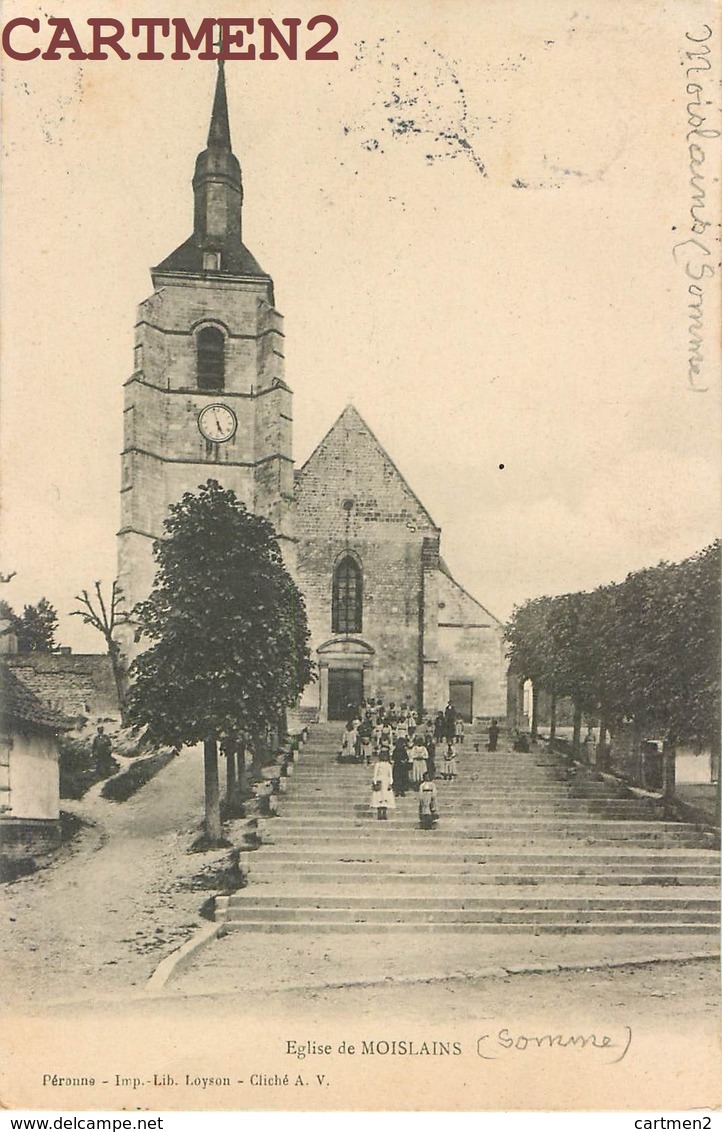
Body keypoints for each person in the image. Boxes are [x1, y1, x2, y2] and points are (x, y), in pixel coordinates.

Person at [370, 750, 395, 820]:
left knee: (385, 797)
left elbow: (390, 775)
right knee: (379, 797)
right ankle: (379, 813)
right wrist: (375, 782)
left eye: (386, 756)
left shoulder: (388, 765)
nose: (384, 757)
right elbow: (375, 774)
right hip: (379, 781)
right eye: (383, 756)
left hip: (386, 782)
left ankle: (384, 813)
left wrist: (390, 783)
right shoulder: (378, 764)